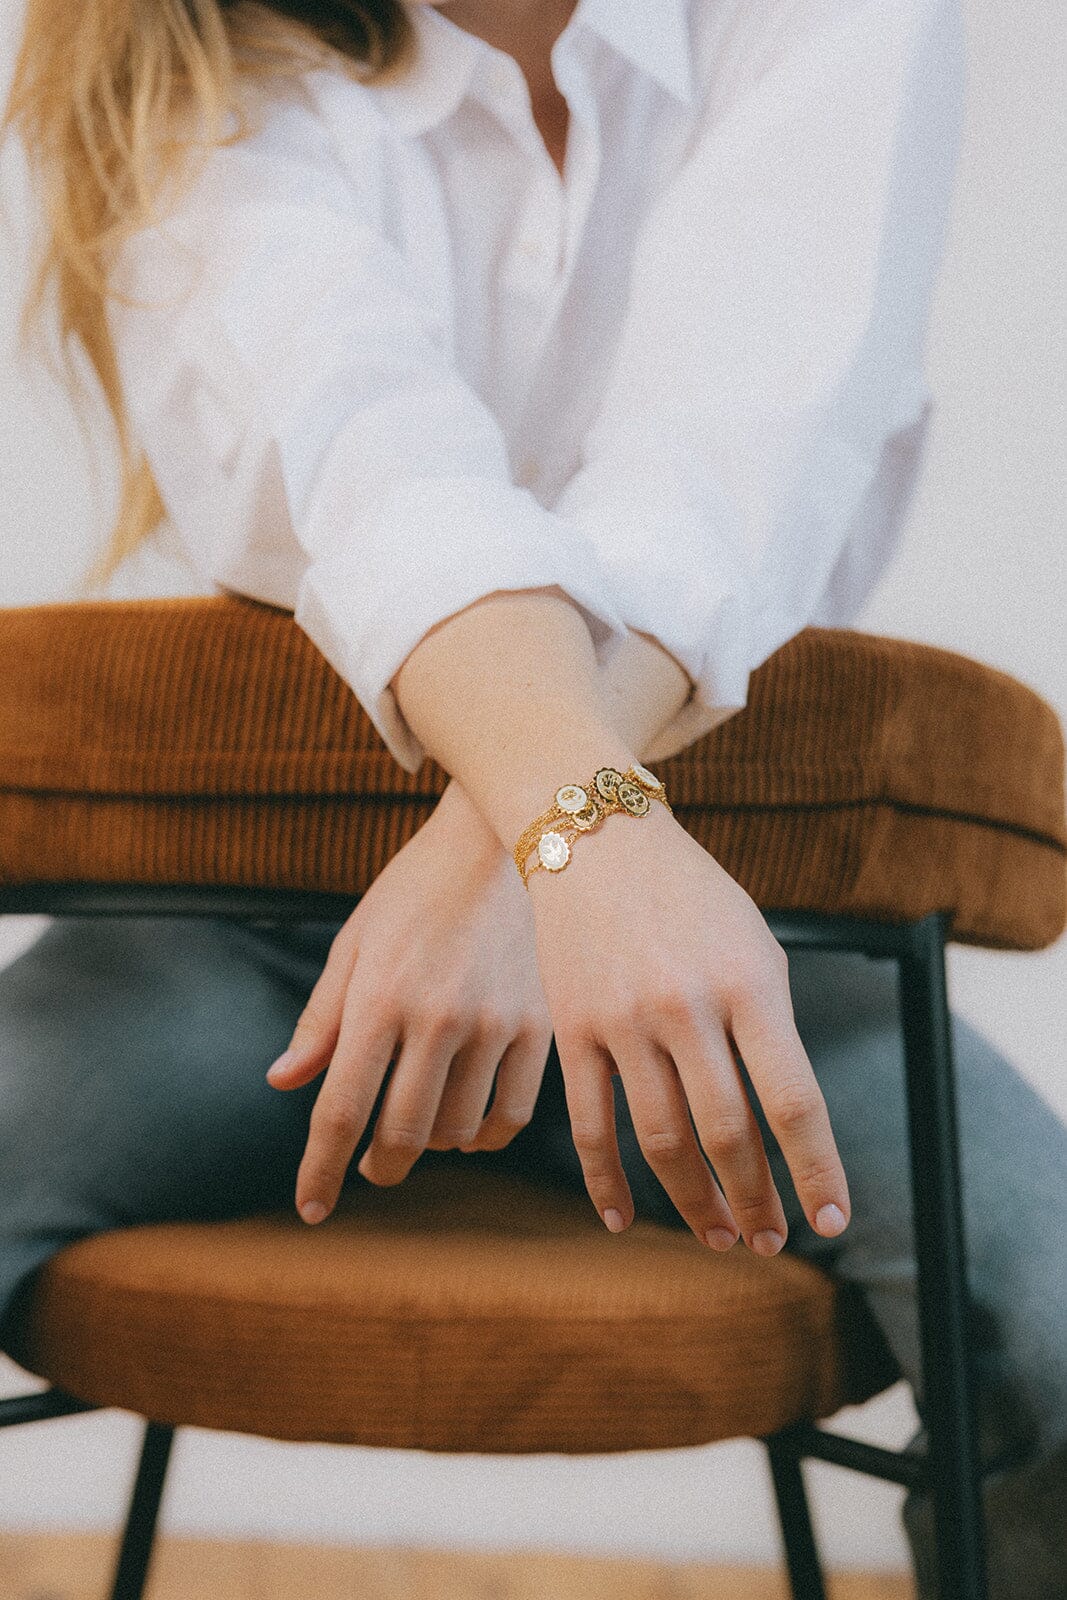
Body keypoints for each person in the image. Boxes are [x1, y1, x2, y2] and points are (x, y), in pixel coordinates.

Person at [0, 0, 1064, 1592]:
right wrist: (575, 833)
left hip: (716, 937)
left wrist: (540, 850)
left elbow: (734, 469)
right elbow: (372, 458)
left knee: (1057, 1317)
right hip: (253, 936)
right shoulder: (175, 42)